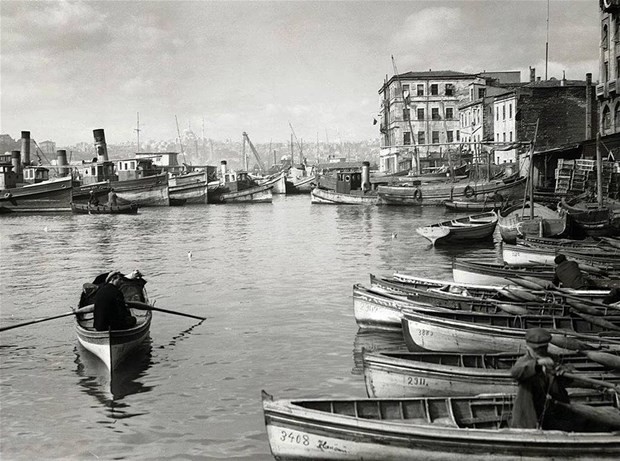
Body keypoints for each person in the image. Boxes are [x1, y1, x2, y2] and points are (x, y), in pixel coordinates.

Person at [510, 328, 571, 430]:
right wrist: (538, 364)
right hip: (529, 418)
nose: (541, 352)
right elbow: (515, 372)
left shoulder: (554, 359)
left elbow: (569, 380)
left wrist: (564, 371)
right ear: (528, 348)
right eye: (536, 350)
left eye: (543, 349)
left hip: (554, 415)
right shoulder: (523, 362)